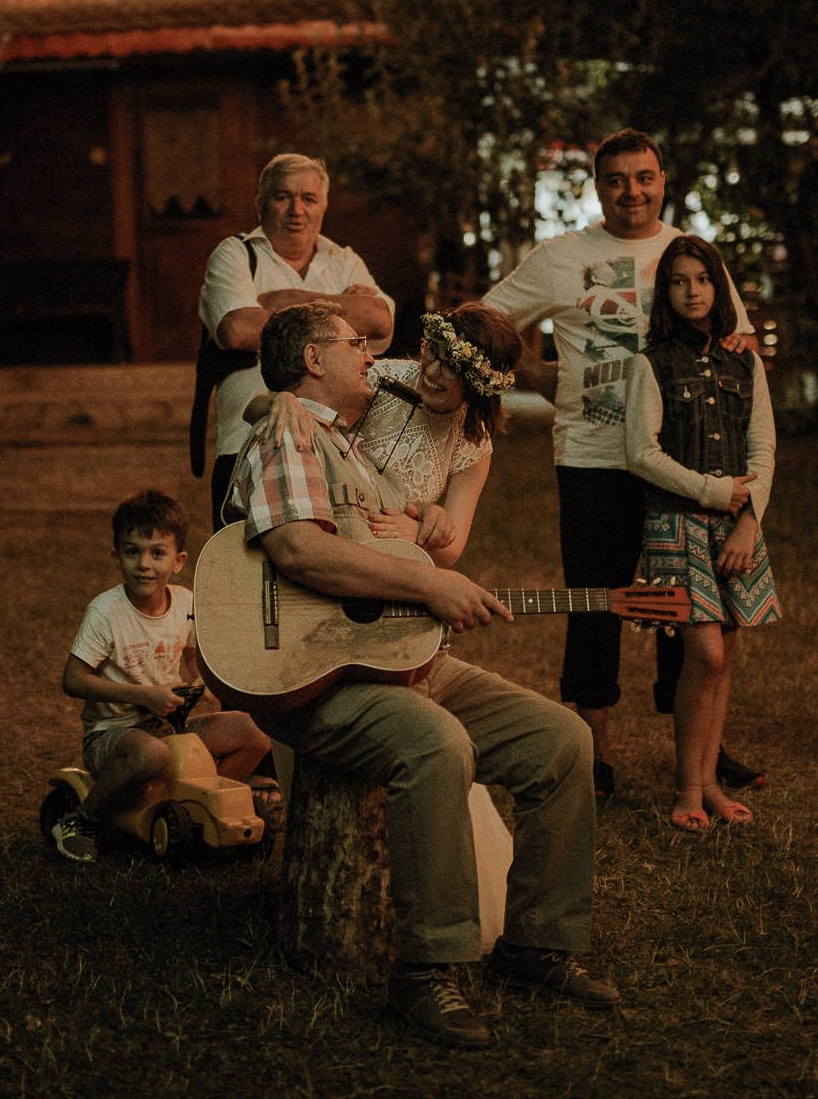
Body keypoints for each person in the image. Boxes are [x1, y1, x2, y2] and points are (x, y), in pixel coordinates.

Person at [226, 301, 616, 1049]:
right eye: (353, 342)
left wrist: (430, 532)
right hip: (317, 677)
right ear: (313, 362)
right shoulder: (294, 432)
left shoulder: (350, 444)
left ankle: (537, 942)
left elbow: (417, 534)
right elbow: (300, 553)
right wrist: (430, 586)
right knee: (436, 745)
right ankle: (426, 969)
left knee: (563, 738)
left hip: (400, 657)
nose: (371, 351)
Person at [482, 128, 761, 799]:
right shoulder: (562, 257)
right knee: (595, 602)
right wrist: (536, 371)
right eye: (616, 179)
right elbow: (484, 317)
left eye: (644, 177)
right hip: (593, 455)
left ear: (664, 179)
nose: (631, 190)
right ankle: (594, 753)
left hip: (683, 464)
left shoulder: (691, 255)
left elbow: (738, 341)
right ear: (597, 186)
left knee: (685, 606)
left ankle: (699, 752)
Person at [625, 235, 781, 828]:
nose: (693, 291)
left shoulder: (746, 361)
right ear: (666, 293)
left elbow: (763, 446)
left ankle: (711, 782)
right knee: (705, 653)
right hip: (676, 522)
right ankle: (688, 789)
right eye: (679, 281)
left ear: (719, 287)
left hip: (736, 531)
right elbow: (640, 452)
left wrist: (748, 518)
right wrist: (712, 491)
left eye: (702, 279)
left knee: (727, 654)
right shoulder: (652, 363)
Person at [51, 490, 272, 862]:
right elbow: (72, 680)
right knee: (152, 754)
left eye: (157, 553)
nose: (144, 564)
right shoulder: (106, 612)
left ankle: (204, 807)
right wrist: (146, 696)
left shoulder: (184, 603)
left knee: (253, 733)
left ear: (179, 560)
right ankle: (81, 820)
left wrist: (199, 686)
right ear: (116, 555)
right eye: (132, 551)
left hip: (169, 723)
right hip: (115, 734)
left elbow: (189, 660)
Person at [198, 154, 395, 528]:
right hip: (248, 440)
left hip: (336, 448)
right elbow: (237, 328)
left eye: (308, 198)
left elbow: (380, 322)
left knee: (330, 564)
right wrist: (345, 309)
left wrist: (287, 302)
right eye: (282, 197)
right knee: (245, 574)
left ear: (324, 205)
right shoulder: (235, 254)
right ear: (260, 204)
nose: (296, 210)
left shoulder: (344, 259)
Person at [247, 301, 522, 568]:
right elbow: (284, 402)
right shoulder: (381, 378)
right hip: (334, 528)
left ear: (476, 387)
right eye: (433, 351)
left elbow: (452, 547)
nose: (433, 370)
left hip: (397, 553)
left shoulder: (473, 438)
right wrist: (280, 400)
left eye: (451, 367)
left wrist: (417, 532)